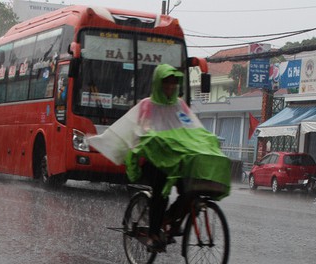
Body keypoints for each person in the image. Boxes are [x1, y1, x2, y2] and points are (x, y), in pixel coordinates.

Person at [88, 63, 231, 252]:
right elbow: (144, 130)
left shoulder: (180, 105)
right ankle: (153, 234)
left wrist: (207, 140)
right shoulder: (148, 105)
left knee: (191, 189)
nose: (170, 87)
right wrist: (158, 140)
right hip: (152, 159)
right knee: (160, 194)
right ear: (158, 84)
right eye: (166, 83)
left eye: (173, 83)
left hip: (176, 160)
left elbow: (193, 129)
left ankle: (172, 219)